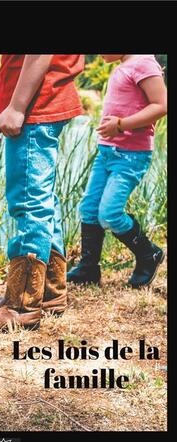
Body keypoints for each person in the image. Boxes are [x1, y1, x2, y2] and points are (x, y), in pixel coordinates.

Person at [0, 54, 84, 332]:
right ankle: (50, 293)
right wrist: (11, 106)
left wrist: (16, 106)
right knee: (43, 199)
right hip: (41, 101)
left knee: (29, 201)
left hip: (35, 105)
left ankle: (20, 306)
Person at [67, 54, 167, 288]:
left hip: (130, 156)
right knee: (89, 209)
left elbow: (162, 105)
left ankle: (148, 254)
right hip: (107, 153)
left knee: (109, 213)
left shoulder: (143, 62)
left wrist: (121, 124)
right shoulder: (124, 65)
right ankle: (88, 268)